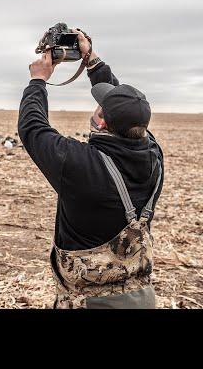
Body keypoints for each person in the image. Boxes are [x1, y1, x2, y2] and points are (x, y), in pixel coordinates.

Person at [19, 28, 164, 309]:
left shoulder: (81, 166)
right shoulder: (153, 155)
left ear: (101, 124)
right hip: (141, 298)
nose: (97, 108)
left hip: (92, 303)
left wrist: (38, 80)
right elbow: (125, 108)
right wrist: (91, 59)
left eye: (101, 109)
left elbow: (32, 128)